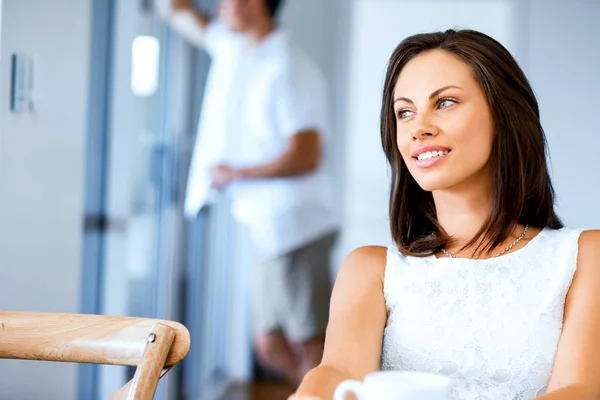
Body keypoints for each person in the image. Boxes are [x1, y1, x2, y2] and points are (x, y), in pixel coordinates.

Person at [291, 29, 600, 400]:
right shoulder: (369, 269)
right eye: (404, 112)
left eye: (445, 102)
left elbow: (579, 389)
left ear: (504, 114)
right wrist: (312, 392)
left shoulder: (585, 256)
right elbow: (338, 371)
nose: (419, 128)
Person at [157, 0, 339, 386]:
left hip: (297, 224)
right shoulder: (235, 46)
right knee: (268, 343)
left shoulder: (288, 66)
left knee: (311, 344)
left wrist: (236, 172)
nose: (220, 5)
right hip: (265, 225)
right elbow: (186, 17)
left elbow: (306, 155)